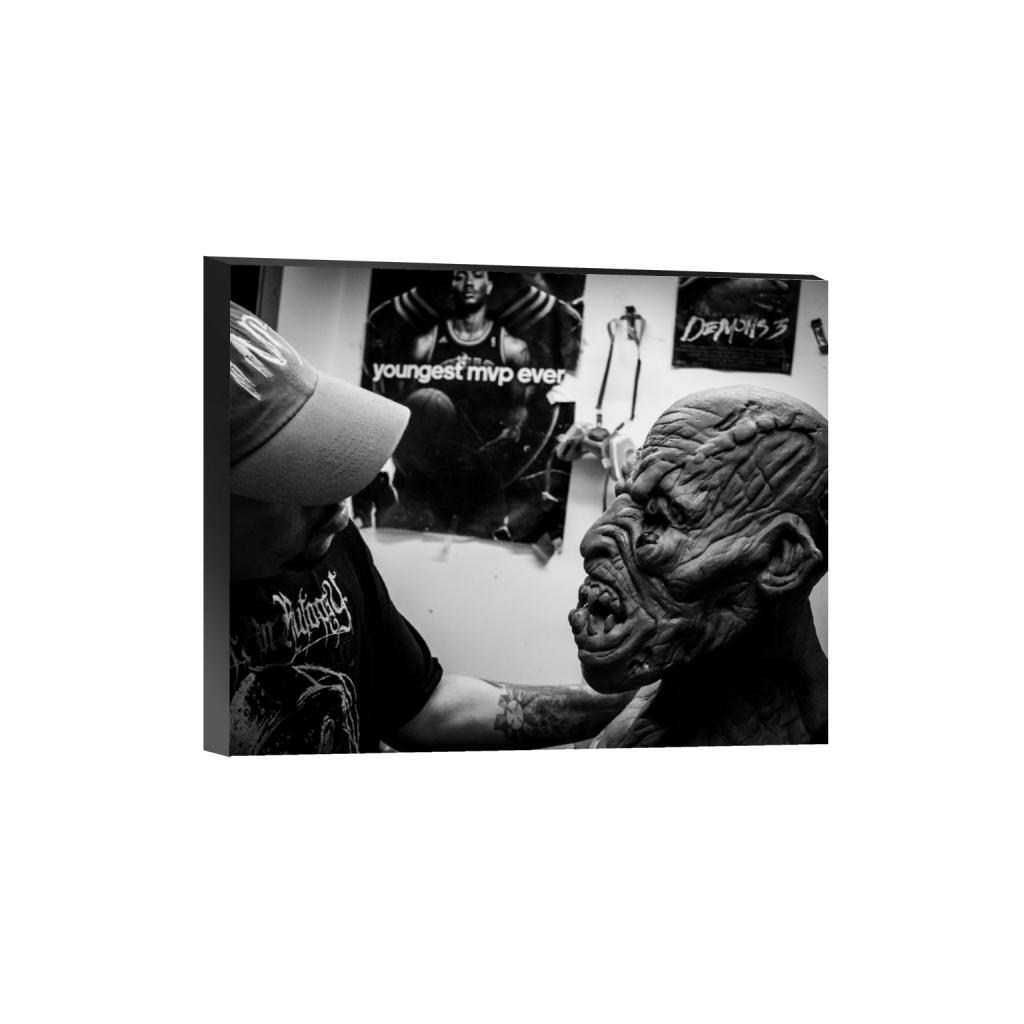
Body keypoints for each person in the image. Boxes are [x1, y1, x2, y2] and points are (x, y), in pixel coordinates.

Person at [227, 301, 633, 755]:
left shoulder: (328, 540)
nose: (340, 514)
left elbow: (424, 707)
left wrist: (621, 702)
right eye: (291, 477)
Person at [568, 386, 828, 746]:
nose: (592, 541)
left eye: (660, 517)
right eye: (622, 499)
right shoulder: (646, 718)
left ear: (782, 560)